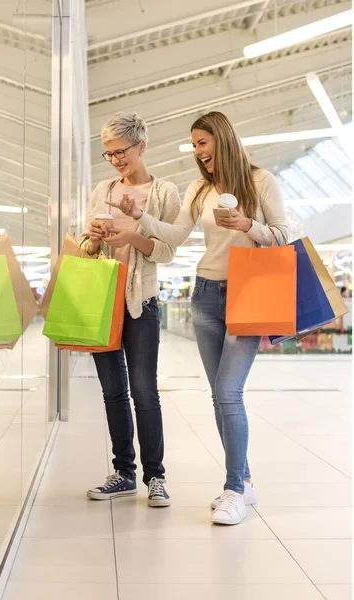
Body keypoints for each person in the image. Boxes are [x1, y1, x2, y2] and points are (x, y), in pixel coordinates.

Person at [108, 111, 288, 525]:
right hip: (206, 294)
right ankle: (243, 477)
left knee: (229, 392)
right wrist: (140, 217)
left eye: (201, 143)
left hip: (251, 291)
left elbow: (284, 234)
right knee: (218, 395)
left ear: (222, 138)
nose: (197, 152)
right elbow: (173, 235)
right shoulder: (199, 188)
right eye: (194, 146)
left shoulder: (261, 181)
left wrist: (249, 225)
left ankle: (233, 490)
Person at [81, 112, 180, 507]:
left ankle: (155, 476)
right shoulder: (102, 189)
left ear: (141, 145)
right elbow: (87, 246)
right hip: (102, 298)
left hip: (141, 301)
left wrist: (131, 236)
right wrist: (92, 238)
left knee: (143, 390)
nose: (116, 160)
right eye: (108, 153)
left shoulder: (164, 192)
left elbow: (169, 251)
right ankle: (123, 472)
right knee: (112, 391)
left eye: (121, 151)